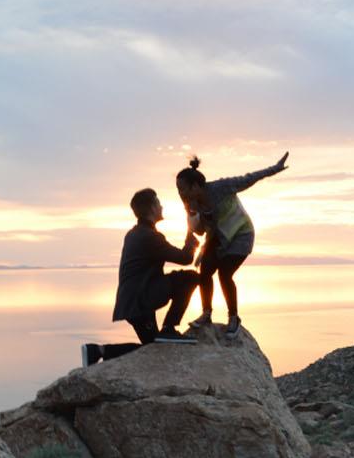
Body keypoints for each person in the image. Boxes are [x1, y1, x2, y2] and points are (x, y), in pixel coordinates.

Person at [81, 188, 200, 366]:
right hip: (140, 302)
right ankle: (169, 327)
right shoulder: (149, 237)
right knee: (190, 277)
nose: (162, 206)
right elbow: (185, 258)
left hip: (133, 302)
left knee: (152, 347)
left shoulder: (135, 233)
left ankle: (97, 351)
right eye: (158, 203)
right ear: (152, 208)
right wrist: (191, 234)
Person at [177, 152, 289, 335]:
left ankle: (234, 318)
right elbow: (199, 231)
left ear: (195, 186)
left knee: (224, 273)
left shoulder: (220, 187)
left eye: (182, 188)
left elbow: (248, 179)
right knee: (204, 271)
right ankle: (206, 314)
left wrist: (275, 169)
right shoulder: (191, 203)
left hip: (241, 234)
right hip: (219, 239)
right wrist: (192, 214)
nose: (180, 193)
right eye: (178, 189)